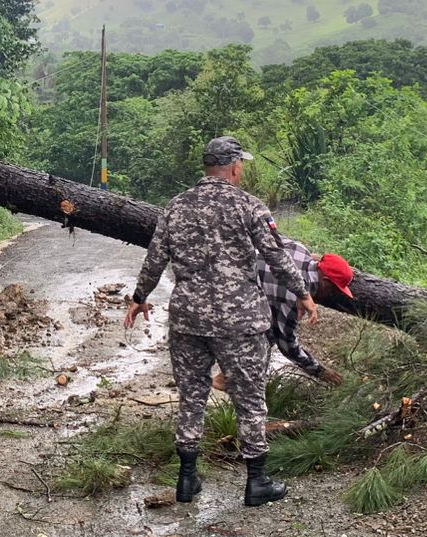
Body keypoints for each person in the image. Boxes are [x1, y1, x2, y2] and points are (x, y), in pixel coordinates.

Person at [124, 136, 317, 508]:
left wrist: (138, 298)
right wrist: (303, 294)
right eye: (241, 164)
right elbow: (276, 256)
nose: (242, 169)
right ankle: (257, 482)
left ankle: (186, 480)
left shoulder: (175, 207)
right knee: (250, 400)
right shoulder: (248, 205)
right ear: (232, 167)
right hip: (239, 321)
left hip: (188, 320)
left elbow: (154, 259)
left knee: (192, 397)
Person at [217, 242, 352, 391]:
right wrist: (320, 371)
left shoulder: (300, 248)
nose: (333, 294)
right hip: (226, 294)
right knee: (265, 338)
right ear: (325, 282)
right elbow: (288, 346)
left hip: (225, 260)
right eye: (334, 289)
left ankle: (226, 374)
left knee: (269, 325)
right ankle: (227, 379)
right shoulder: (295, 300)